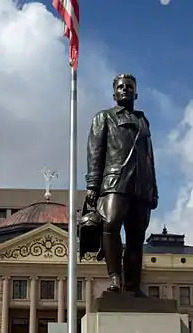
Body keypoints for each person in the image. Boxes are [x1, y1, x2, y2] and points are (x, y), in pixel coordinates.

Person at [85, 73, 158, 296]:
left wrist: (153, 188)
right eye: (120, 87)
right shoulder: (104, 117)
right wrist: (92, 185)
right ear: (113, 93)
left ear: (136, 93)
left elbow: (149, 157)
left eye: (129, 86)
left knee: (136, 236)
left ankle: (133, 286)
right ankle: (115, 278)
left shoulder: (143, 121)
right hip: (114, 181)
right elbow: (95, 152)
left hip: (141, 186)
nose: (124, 89)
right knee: (110, 224)